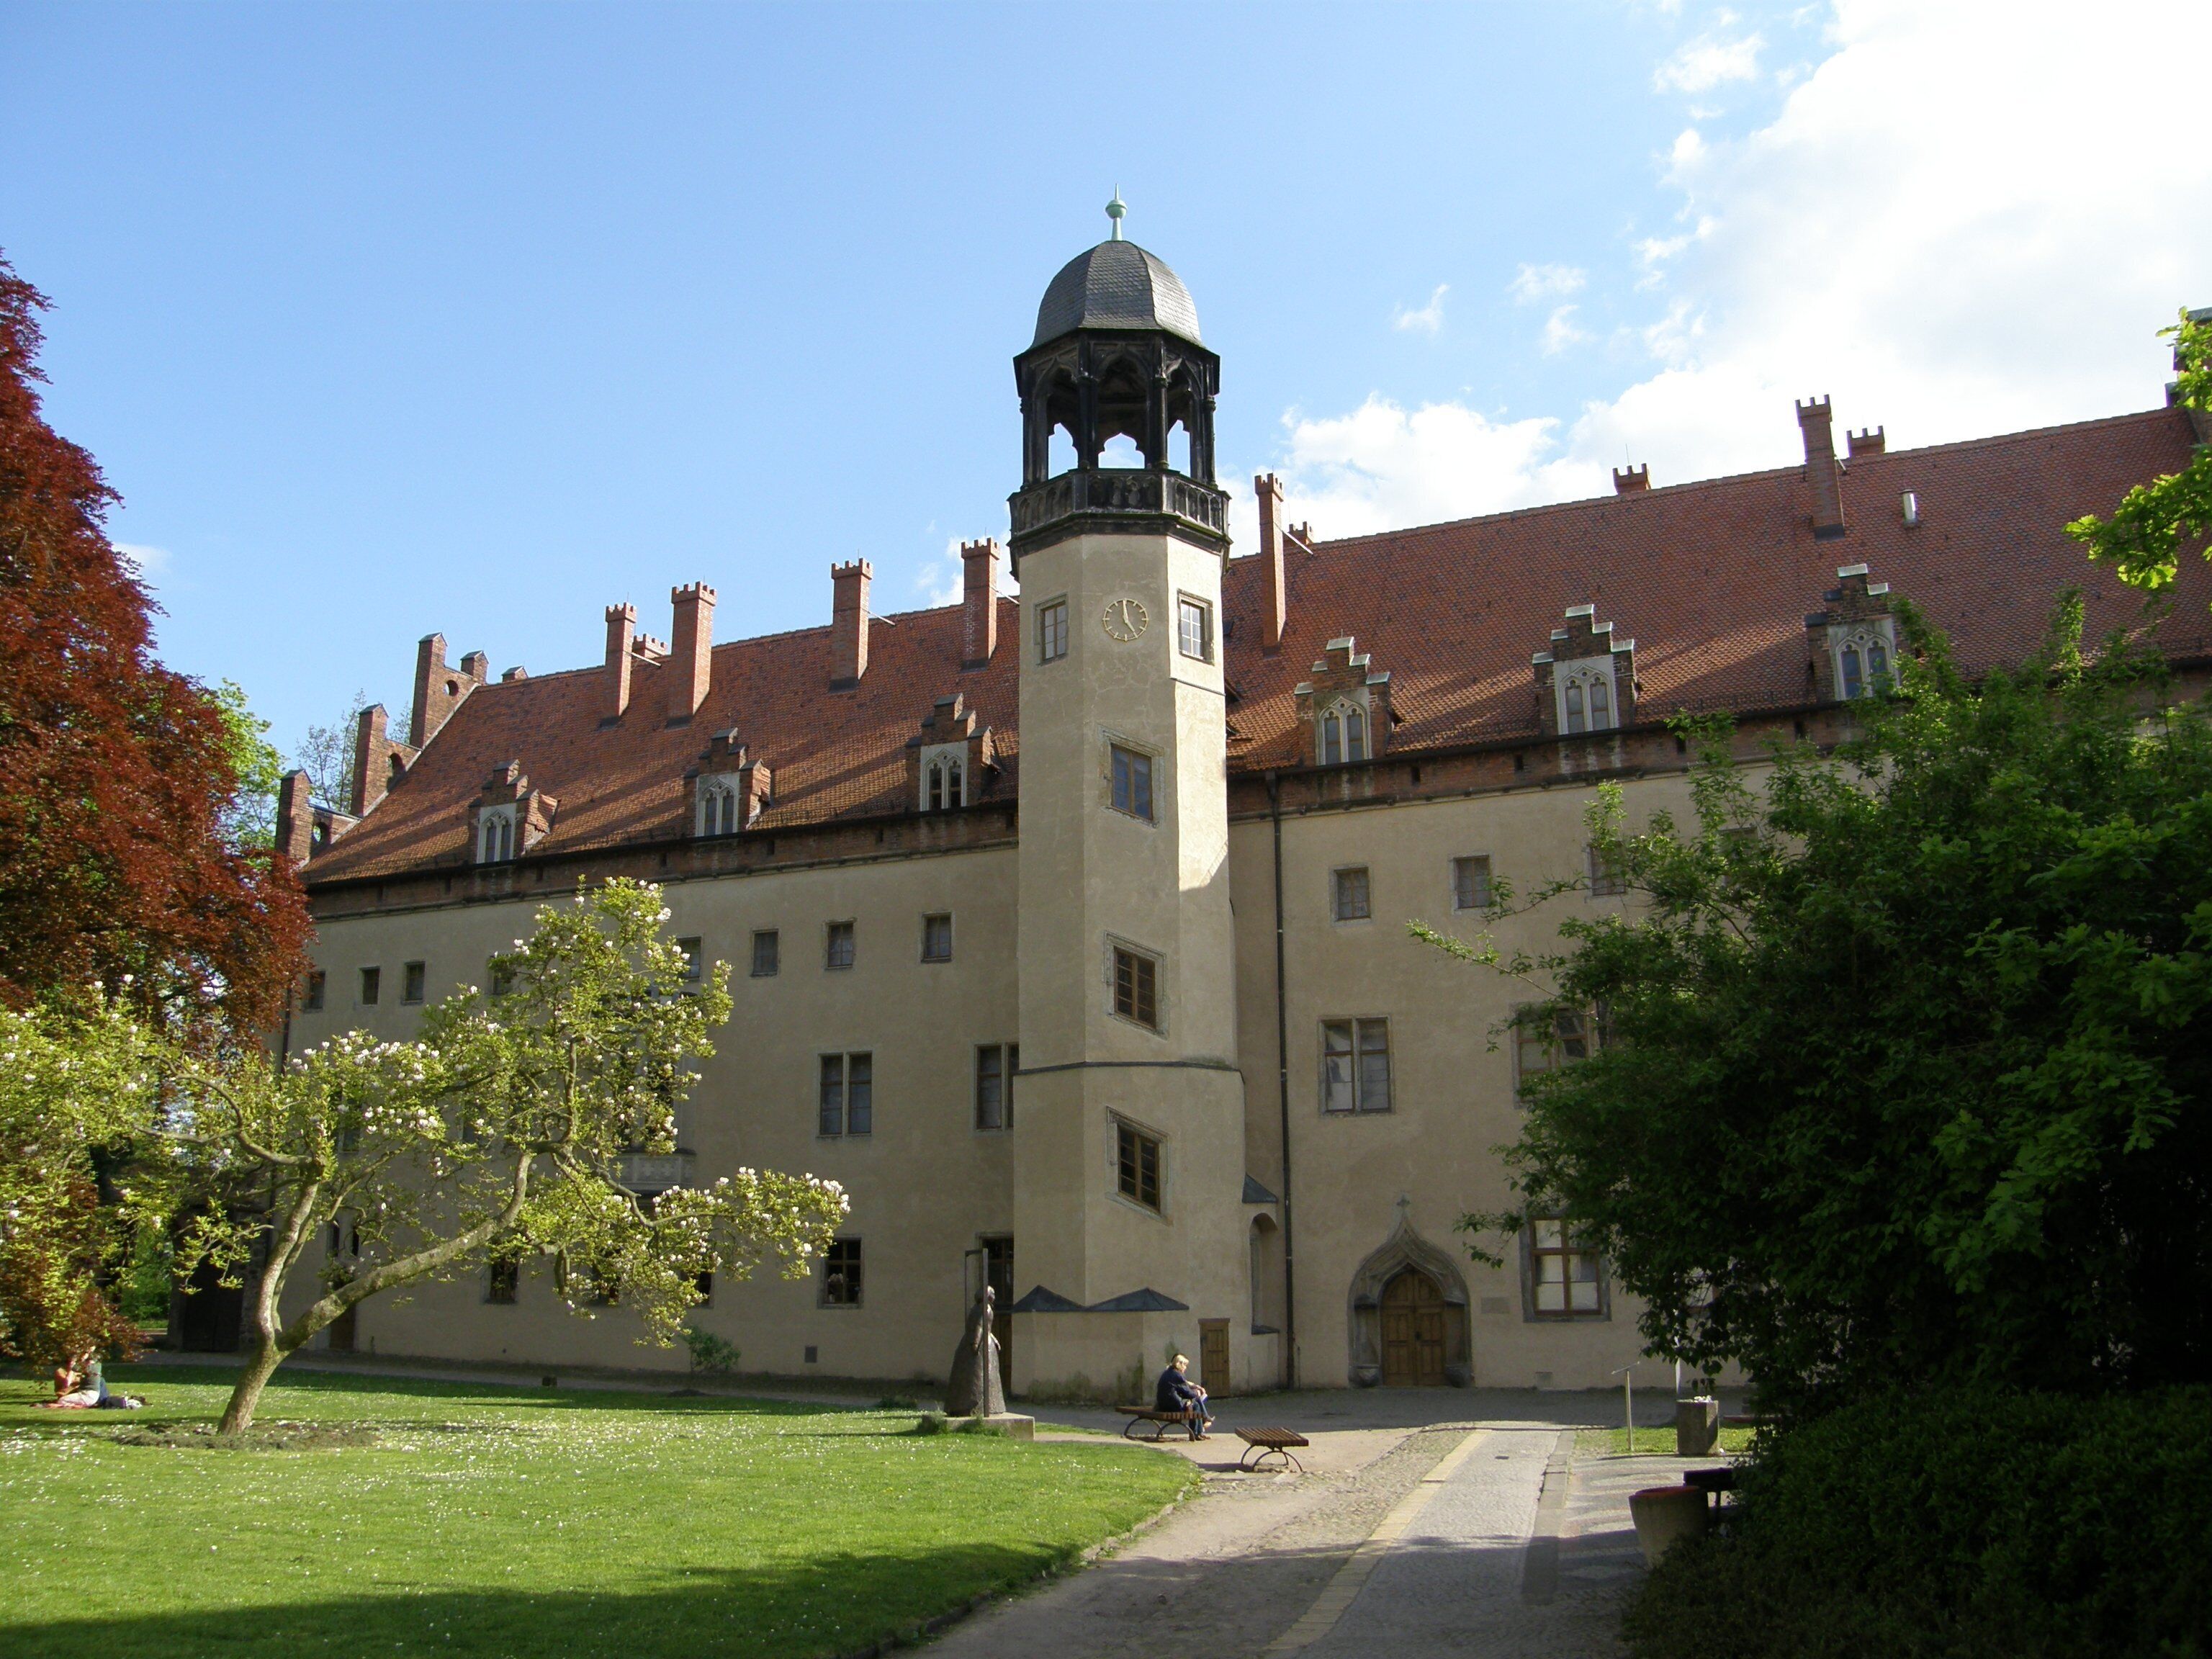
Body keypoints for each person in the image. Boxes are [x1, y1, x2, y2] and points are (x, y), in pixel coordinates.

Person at [1154, 1353, 1212, 1441]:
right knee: (1196, 1404)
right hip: (1172, 1406)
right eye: (1185, 1365)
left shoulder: (1169, 1372)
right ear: (1180, 1364)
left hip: (1163, 1404)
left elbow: (1183, 1388)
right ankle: (1198, 1431)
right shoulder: (1177, 1375)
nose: (1185, 1368)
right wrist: (1198, 1392)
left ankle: (1204, 1423)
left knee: (1195, 1401)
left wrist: (1194, 1389)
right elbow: (1188, 1393)